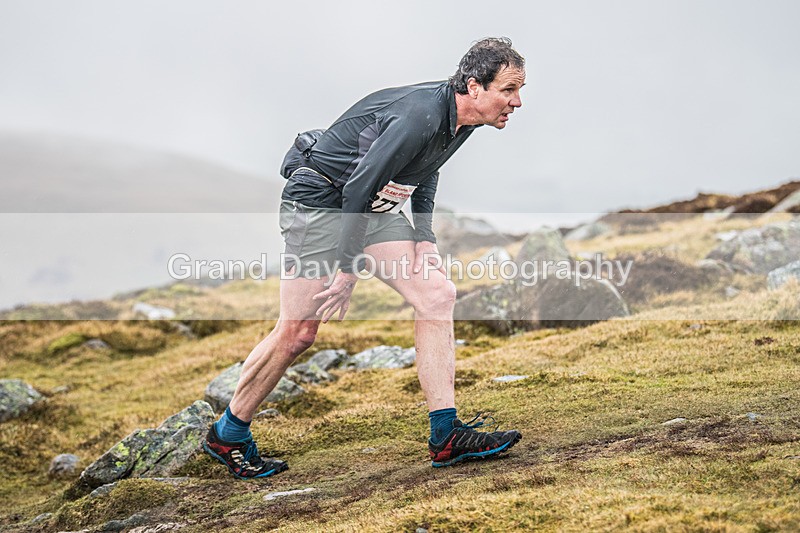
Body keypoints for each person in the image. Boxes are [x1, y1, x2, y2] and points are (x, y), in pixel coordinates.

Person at [203, 37, 526, 479]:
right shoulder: (419, 116)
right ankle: (228, 433)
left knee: (437, 295)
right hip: (321, 201)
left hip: (369, 205)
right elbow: (357, 186)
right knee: (298, 332)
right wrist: (348, 269)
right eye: (508, 90)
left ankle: (446, 435)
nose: (517, 102)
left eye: (518, 90)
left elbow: (426, 167)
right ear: (475, 87)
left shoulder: (464, 118)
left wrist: (425, 237)